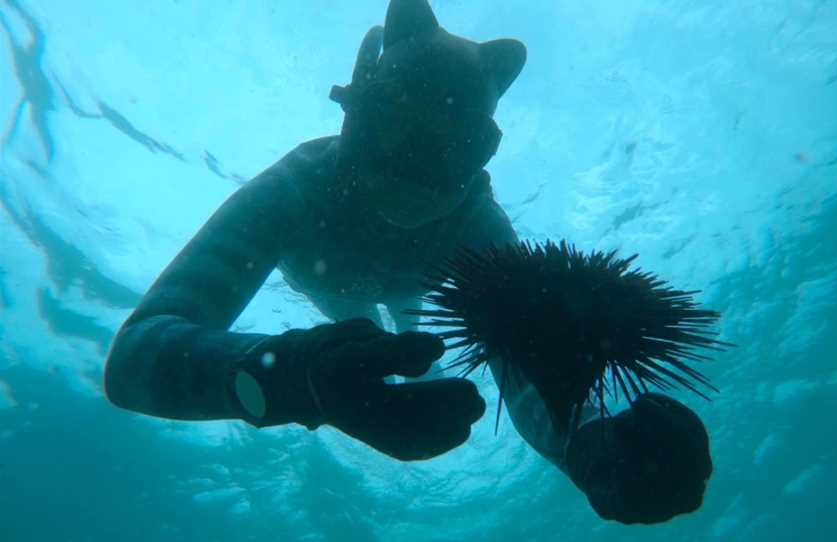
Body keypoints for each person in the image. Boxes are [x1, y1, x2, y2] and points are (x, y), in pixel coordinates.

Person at [104, 0, 710, 524]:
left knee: (393, 324)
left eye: (455, 147)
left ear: (481, 152)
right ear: (352, 114)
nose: (416, 171)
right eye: (396, 127)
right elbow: (131, 361)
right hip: (371, 285)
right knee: (369, 322)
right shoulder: (294, 189)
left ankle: (402, 341)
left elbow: (530, 349)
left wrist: (591, 440)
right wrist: (297, 374)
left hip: (343, 277)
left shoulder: (469, 220)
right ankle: (398, 340)